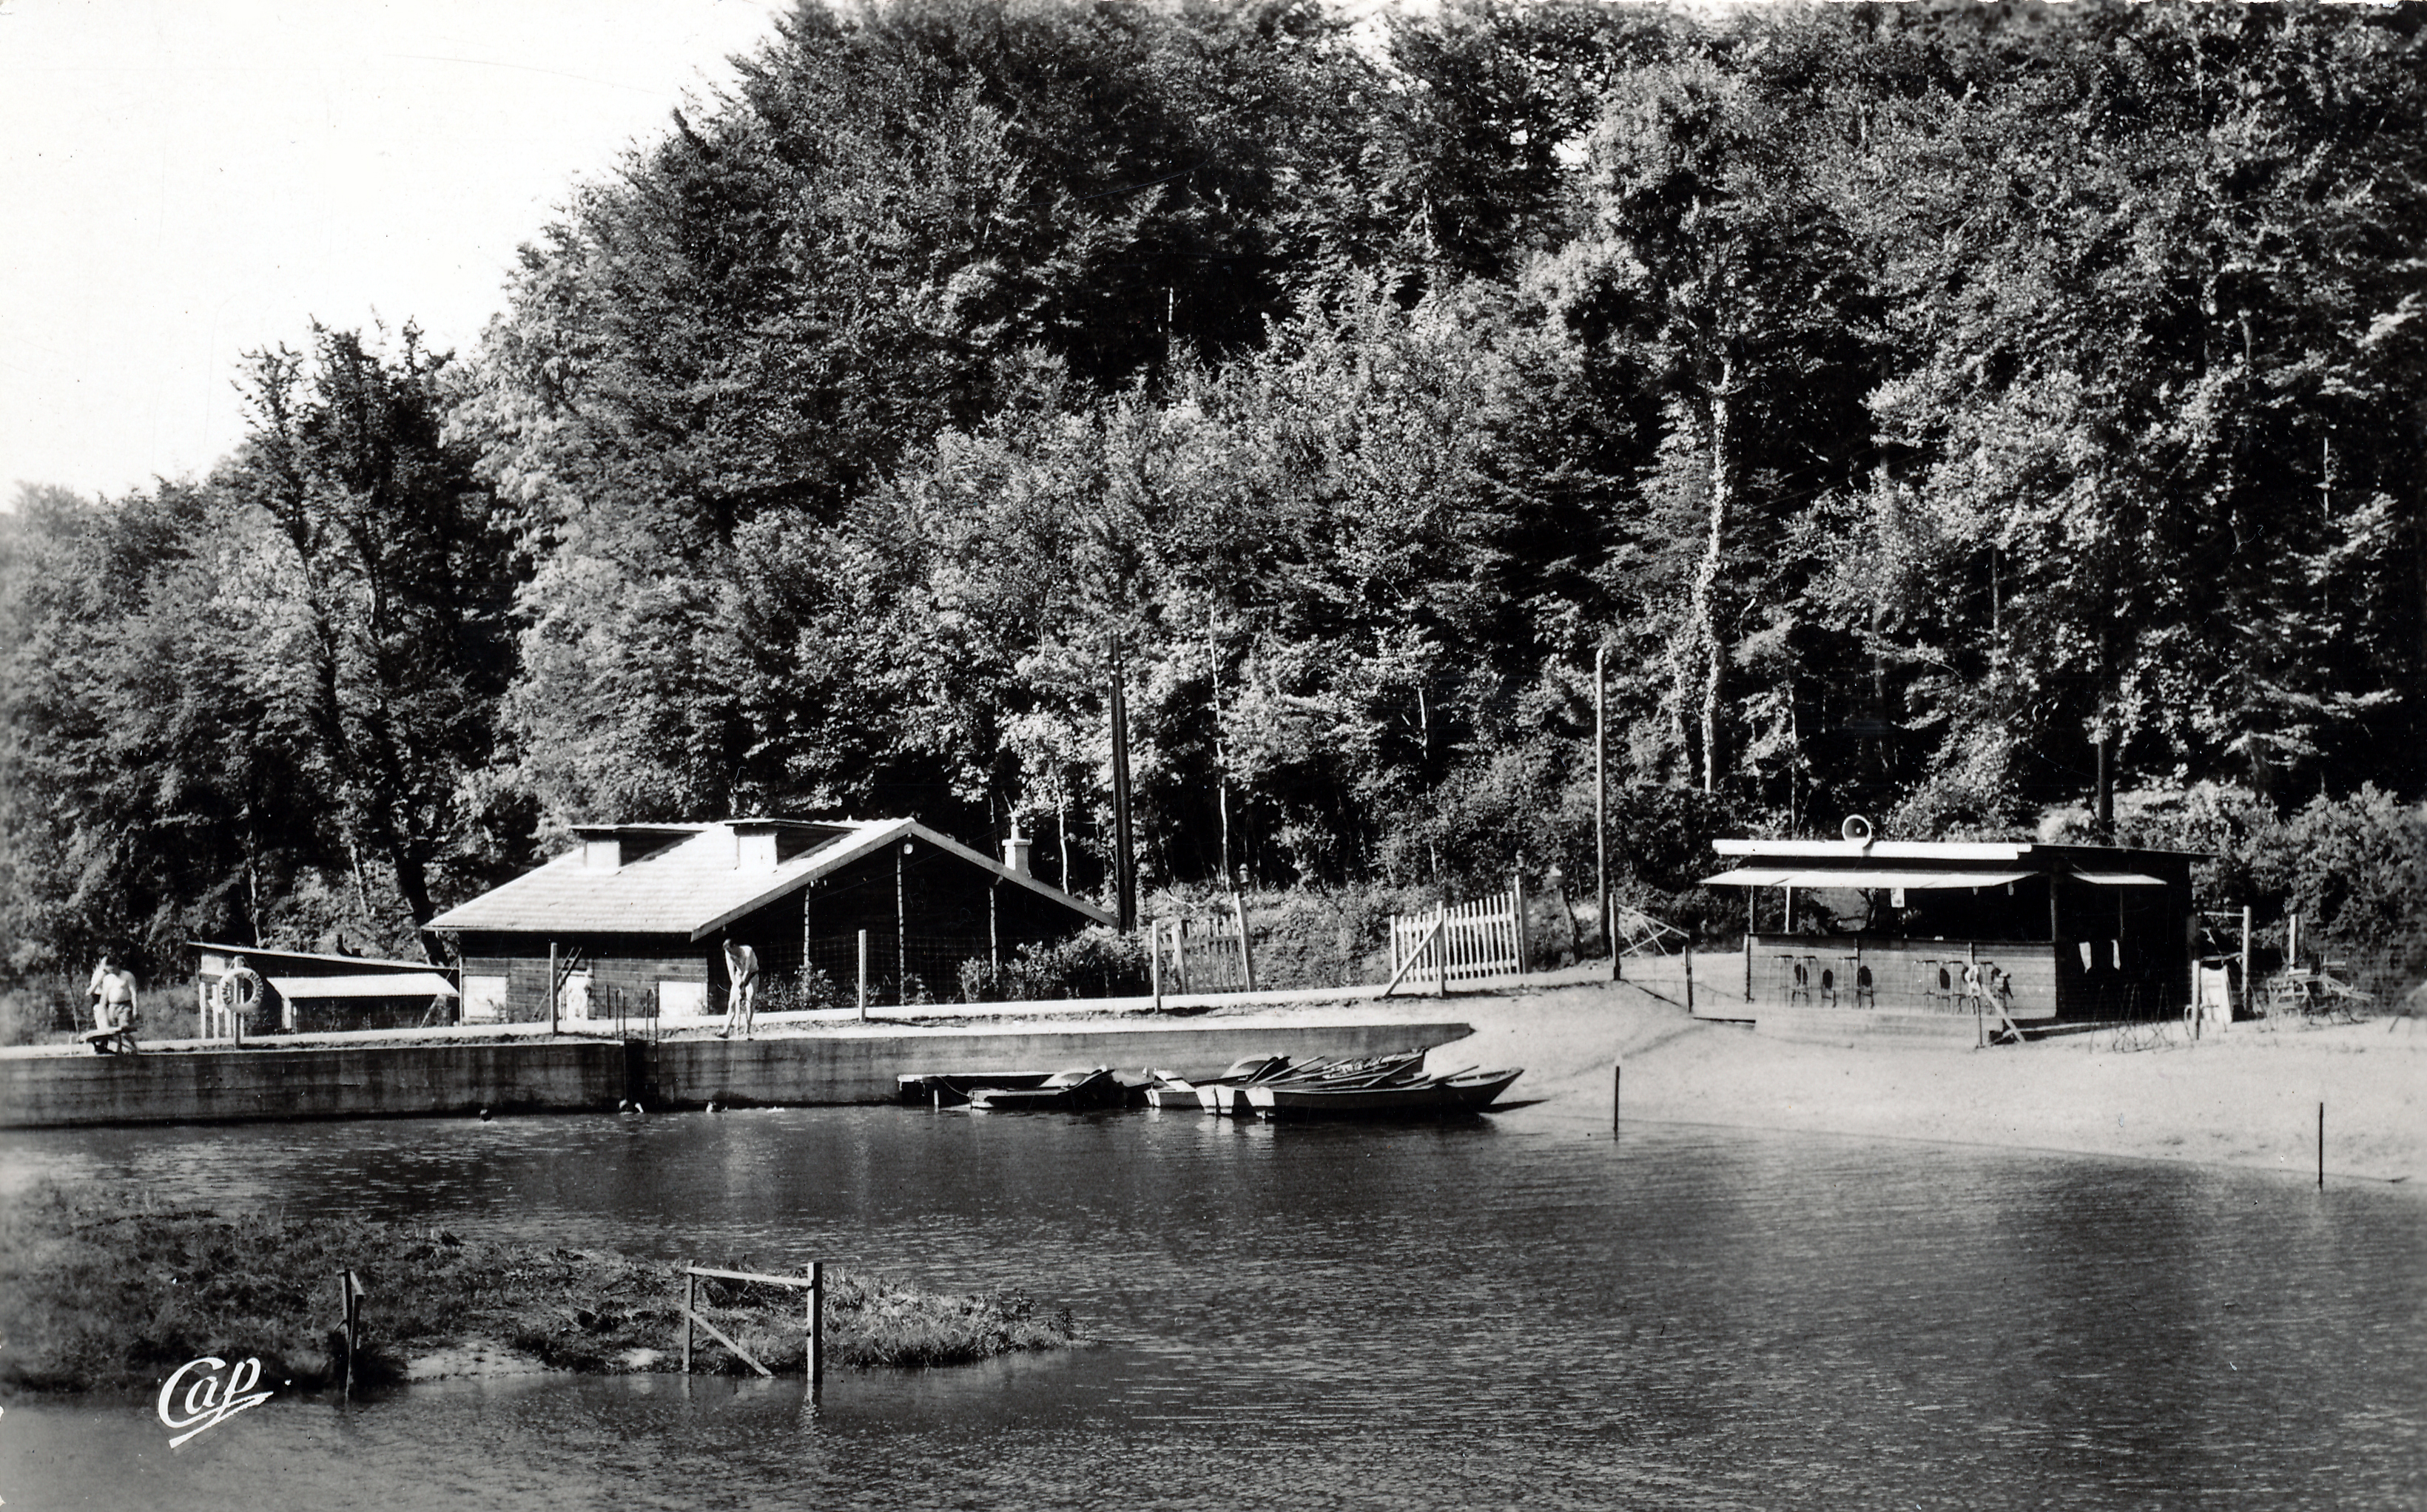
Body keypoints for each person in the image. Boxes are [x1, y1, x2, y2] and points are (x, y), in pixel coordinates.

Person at [84, 953, 141, 1054]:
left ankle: (133, 1047)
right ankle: (119, 1050)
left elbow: (134, 993)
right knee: (114, 1032)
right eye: (109, 970)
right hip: (112, 1007)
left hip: (125, 1006)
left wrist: (135, 1008)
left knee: (123, 1029)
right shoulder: (108, 978)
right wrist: (101, 1008)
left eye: (112, 969)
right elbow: (104, 995)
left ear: (116, 965)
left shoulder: (127, 976)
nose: (111, 972)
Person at [718, 939, 758, 1039]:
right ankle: (726, 1030)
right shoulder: (728, 954)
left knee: (750, 1000)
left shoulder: (748, 951)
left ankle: (747, 1032)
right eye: (728, 951)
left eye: (731, 950)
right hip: (739, 975)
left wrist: (742, 987)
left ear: (735, 946)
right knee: (732, 1002)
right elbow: (731, 972)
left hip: (752, 975)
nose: (730, 953)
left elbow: (748, 971)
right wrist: (736, 986)